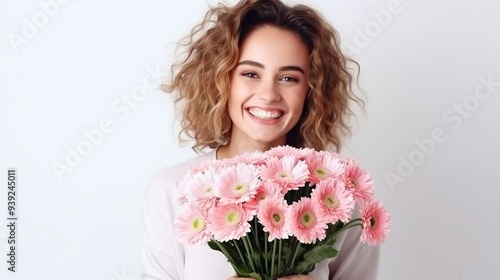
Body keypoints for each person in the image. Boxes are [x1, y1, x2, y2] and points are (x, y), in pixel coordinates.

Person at [139, 0, 379, 279]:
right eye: (250, 74)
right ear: (221, 79)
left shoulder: (342, 199)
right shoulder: (173, 190)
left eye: (289, 78)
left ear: (311, 91)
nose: (269, 94)